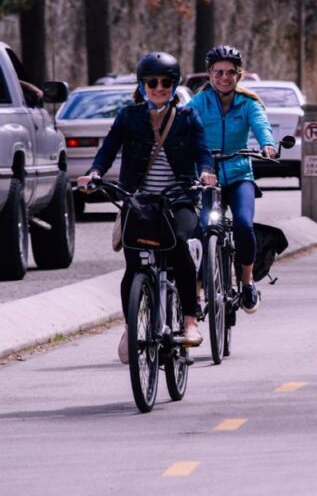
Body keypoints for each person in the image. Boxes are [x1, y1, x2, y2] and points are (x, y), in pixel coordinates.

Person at [77, 52, 217, 362]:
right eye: (151, 82)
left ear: (174, 85)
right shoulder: (129, 117)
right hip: (138, 201)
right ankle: (131, 325)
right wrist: (95, 174)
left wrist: (206, 172)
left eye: (165, 83)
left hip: (178, 197)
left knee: (179, 245)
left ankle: (190, 322)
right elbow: (108, 150)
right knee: (134, 266)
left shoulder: (187, 118)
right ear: (142, 86)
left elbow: (202, 152)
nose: (158, 88)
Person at [188, 45, 277, 314]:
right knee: (202, 227)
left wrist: (267, 145)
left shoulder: (248, 103)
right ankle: (197, 287)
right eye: (218, 72)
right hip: (207, 177)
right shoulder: (199, 103)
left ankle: (247, 283)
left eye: (230, 72)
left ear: (239, 75)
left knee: (242, 224)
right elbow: (183, 125)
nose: (224, 77)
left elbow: (262, 126)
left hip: (239, 175)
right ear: (209, 74)